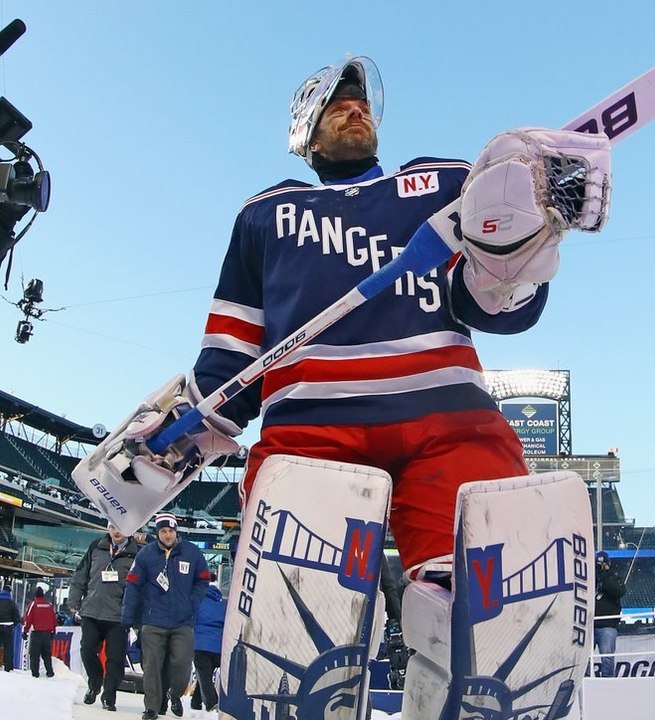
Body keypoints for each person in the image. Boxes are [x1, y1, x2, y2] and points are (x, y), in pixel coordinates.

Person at [87, 56, 610, 719]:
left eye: (361, 101)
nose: (354, 107)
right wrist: (172, 432)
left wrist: (516, 252)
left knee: (484, 628)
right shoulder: (265, 214)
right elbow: (229, 360)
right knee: (298, 643)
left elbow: (497, 308)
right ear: (304, 133)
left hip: (447, 420)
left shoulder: (445, 185)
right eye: (336, 101)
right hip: (311, 434)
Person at [122, 513, 211, 720]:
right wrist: (128, 616)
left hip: (183, 622)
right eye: (163, 531)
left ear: (176, 531)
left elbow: (204, 579)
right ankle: (151, 707)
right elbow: (133, 585)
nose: (168, 535)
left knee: (182, 663)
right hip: (152, 621)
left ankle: (175, 693)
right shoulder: (145, 555)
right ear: (157, 533)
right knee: (151, 666)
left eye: (171, 531)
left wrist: (192, 602)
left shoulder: (192, 552)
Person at [68, 522, 140, 710]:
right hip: (92, 611)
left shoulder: (138, 553)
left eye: (120, 527)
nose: (116, 531)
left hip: (118, 616)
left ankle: (109, 696)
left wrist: (134, 613)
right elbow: (80, 576)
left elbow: (140, 588)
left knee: (115, 660)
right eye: (112, 527)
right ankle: (94, 683)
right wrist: (74, 601)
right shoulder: (96, 546)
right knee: (87, 650)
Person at [190, 584, 225, 712]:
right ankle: (196, 701)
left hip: (200, 645)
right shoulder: (223, 607)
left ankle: (212, 703)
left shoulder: (198, 603)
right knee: (206, 673)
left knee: (204, 675)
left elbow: (190, 620)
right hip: (218, 648)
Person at [593, 550, 626, 677]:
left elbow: (619, 592)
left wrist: (604, 574)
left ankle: (607, 680)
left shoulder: (614, 578)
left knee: (607, 657)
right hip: (590, 624)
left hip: (608, 625)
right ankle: (586, 679)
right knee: (585, 657)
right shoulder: (589, 578)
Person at [22, 586, 56, 677]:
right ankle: (49, 672)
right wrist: (53, 631)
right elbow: (54, 619)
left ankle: (35, 673)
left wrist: (25, 631)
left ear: (35, 595)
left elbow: (28, 618)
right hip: (48, 634)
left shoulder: (33, 604)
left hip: (36, 633)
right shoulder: (49, 605)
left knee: (34, 654)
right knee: (47, 654)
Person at [0, 584, 19, 671]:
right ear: (9, 592)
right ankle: (8, 667)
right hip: (8, 626)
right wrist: (13, 625)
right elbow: (16, 617)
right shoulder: (12, 603)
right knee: (8, 647)